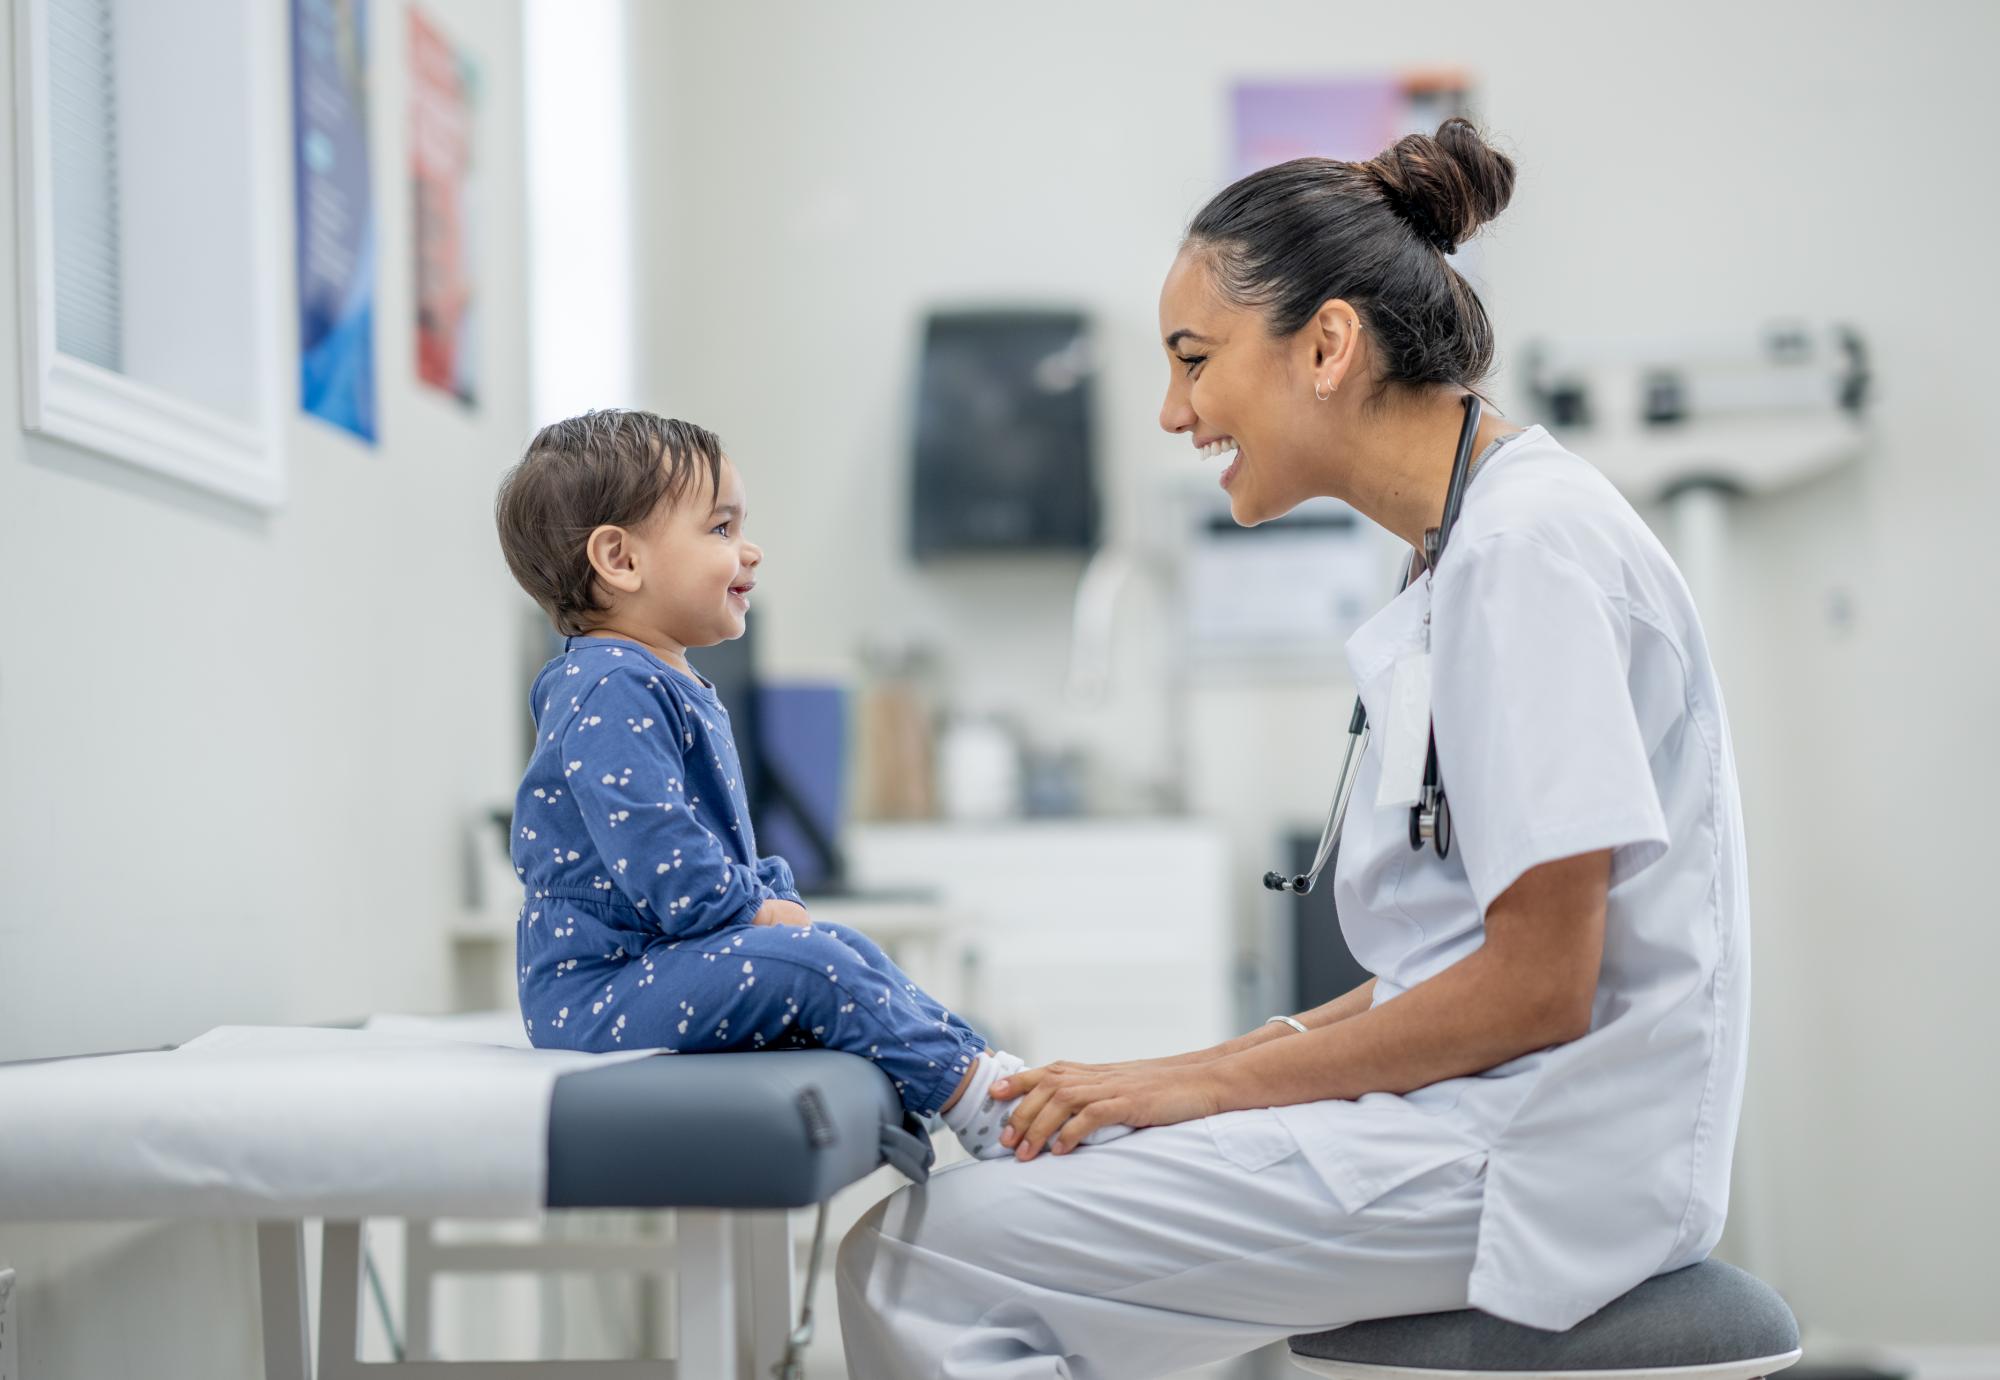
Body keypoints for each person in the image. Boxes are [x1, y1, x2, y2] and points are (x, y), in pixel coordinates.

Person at [837, 118, 1752, 1379]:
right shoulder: (1465, 545)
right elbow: (1447, 962)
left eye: (1193, 359)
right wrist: (1179, 1071)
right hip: (1485, 1120)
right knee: (1013, 1197)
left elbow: (1537, 986)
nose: (1172, 411)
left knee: (922, 1256)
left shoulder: (1524, 554)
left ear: (1325, 345)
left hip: (1543, 1150)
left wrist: (1206, 1090)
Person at [492, 410, 1131, 1160]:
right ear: (621, 560)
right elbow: (661, 858)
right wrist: (755, 910)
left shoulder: (657, 677)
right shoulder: (608, 686)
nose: (750, 550)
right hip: (600, 992)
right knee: (819, 965)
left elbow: (706, 846)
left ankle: (987, 1077)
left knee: (841, 948)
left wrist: (766, 897)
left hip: (647, 968)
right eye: (721, 529)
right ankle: (985, 1106)